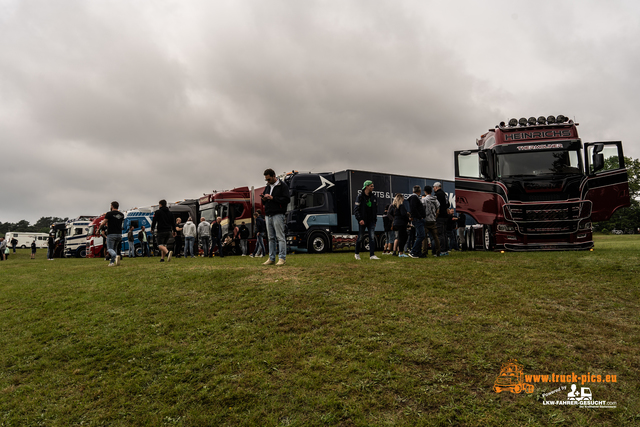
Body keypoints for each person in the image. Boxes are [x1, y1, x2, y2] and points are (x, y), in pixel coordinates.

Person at [261, 168, 289, 266]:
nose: (267, 181)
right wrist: (264, 199)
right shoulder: (268, 187)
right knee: (271, 238)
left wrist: (273, 198)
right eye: (266, 180)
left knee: (280, 237)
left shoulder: (283, 186)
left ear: (274, 176)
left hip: (278, 214)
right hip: (268, 214)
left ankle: (282, 258)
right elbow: (263, 201)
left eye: (269, 179)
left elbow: (286, 199)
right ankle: (271, 258)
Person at [354, 180, 380, 260]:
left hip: (371, 221)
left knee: (372, 238)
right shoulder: (360, 197)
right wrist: (360, 219)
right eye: (371, 186)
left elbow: (375, 210)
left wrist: (374, 220)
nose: (373, 187)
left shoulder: (373, 197)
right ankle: (356, 254)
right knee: (360, 237)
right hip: (363, 221)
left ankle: (372, 255)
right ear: (367, 186)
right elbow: (356, 209)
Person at [100, 201, 124, 267]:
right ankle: (112, 262)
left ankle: (114, 256)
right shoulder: (122, 215)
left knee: (110, 248)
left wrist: (99, 229)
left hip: (111, 233)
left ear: (112, 206)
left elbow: (103, 222)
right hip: (119, 234)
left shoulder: (109, 214)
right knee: (115, 248)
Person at [408, 185, 426, 258]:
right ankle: (413, 251)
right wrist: (420, 217)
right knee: (421, 235)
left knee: (419, 235)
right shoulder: (414, 197)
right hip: (418, 219)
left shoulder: (414, 197)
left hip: (417, 219)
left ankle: (418, 252)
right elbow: (414, 208)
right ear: (419, 191)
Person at [422, 185, 441, 257]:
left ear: (425, 191)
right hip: (433, 220)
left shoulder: (423, 200)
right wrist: (435, 217)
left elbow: (422, 209)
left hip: (426, 220)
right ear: (431, 191)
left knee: (425, 237)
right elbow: (438, 210)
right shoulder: (435, 199)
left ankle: (424, 252)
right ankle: (438, 251)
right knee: (435, 237)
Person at [434, 182, 450, 256]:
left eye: (434, 187)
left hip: (440, 216)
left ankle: (442, 250)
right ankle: (446, 249)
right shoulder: (444, 194)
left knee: (440, 234)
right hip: (445, 216)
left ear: (436, 187)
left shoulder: (438, 195)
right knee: (444, 233)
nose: (433, 188)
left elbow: (436, 205)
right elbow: (448, 204)